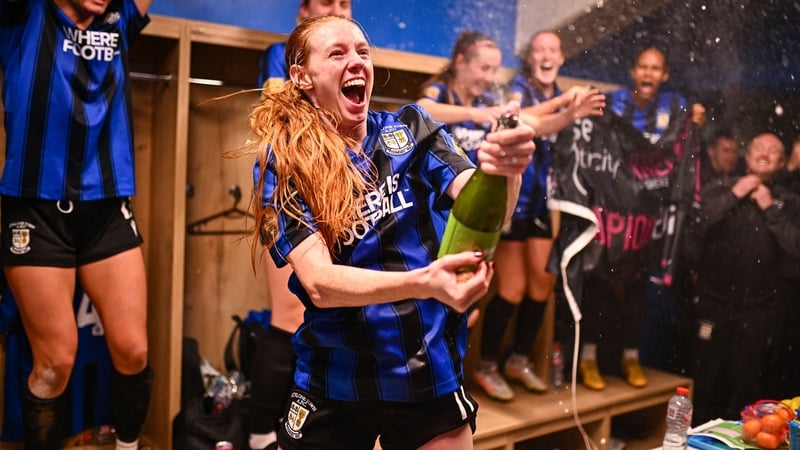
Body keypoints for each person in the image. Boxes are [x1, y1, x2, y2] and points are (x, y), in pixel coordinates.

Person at [242, 16, 535, 450]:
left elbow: (483, 211)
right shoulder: (284, 163)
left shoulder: (411, 127)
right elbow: (320, 284)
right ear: (302, 76)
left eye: (362, 51)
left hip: (425, 368)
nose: (356, 61)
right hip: (334, 376)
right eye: (337, 53)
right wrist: (423, 283)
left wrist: (505, 172)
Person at [0, 0, 153, 449]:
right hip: (35, 208)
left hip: (105, 206)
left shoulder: (118, 16)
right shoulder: (23, 13)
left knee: (133, 350)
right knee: (54, 363)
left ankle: (127, 447)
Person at [473, 29, 605, 402]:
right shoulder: (518, 88)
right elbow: (518, 118)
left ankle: (518, 359)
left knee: (541, 288)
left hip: (545, 203)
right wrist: (567, 105)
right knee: (511, 289)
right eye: (539, 49)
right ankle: (485, 366)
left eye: (553, 50)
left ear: (561, 58)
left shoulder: (564, 93)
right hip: (515, 198)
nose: (546, 56)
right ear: (529, 58)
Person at [250, 2, 352, 449]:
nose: (335, 8)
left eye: (343, 2)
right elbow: (284, 128)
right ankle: (257, 433)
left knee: (325, 312)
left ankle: (305, 429)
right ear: (303, 9)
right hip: (285, 196)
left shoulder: (350, 58)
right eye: (325, 2)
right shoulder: (282, 54)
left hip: (332, 195)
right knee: (290, 315)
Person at [577, 46, 705, 390]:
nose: (648, 74)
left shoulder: (677, 107)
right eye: (643, 67)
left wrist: (695, 120)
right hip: (609, 212)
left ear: (664, 76)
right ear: (633, 72)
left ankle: (630, 357)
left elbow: (687, 143)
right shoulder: (611, 104)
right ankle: (588, 359)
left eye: (656, 69)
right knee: (599, 282)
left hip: (646, 217)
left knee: (636, 289)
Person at [683, 133, 800, 424]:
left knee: (746, 382)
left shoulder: (790, 202)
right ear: (746, 157)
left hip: (760, 310)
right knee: (706, 377)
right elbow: (697, 226)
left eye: (773, 151)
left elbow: (796, 247)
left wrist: (771, 209)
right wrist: (735, 194)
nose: (764, 154)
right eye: (758, 148)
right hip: (713, 304)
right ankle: (700, 439)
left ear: (782, 161)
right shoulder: (720, 187)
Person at [416, 30, 506, 163]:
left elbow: (529, 120)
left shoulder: (488, 100)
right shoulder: (441, 92)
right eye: (485, 68)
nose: (490, 78)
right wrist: (474, 114)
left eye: (494, 70)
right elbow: (421, 109)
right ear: (460, 61)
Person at [257, 0, 352, 92]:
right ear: (304, 9)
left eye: (344, 4)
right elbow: (273, 104)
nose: (337, 12)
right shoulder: (280, 54)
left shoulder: (354, 60)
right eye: (326, 2)